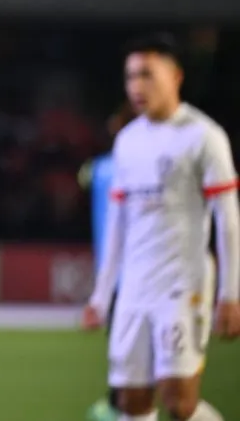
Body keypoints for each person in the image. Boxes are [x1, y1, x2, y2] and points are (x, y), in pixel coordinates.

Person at [83, 33, 239, 421]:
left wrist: (231, 293)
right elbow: (117, 225)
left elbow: (228, 219)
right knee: (132, 402)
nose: (137, 86)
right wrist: (102, 295)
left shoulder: (204, 136)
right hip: (135, 290)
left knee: (179, 403)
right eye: (131, 76)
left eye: (147, 75)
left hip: (180, 286)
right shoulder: (127, 141)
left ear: (175, 77)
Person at [81, 104, 132, 421]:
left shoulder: (99, 168)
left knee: (124, 348)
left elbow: (83, 177)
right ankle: (118, 403)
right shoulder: (105, 168)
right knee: (123, 348)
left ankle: (119, 404)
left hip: (137, 273)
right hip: (117, 272)